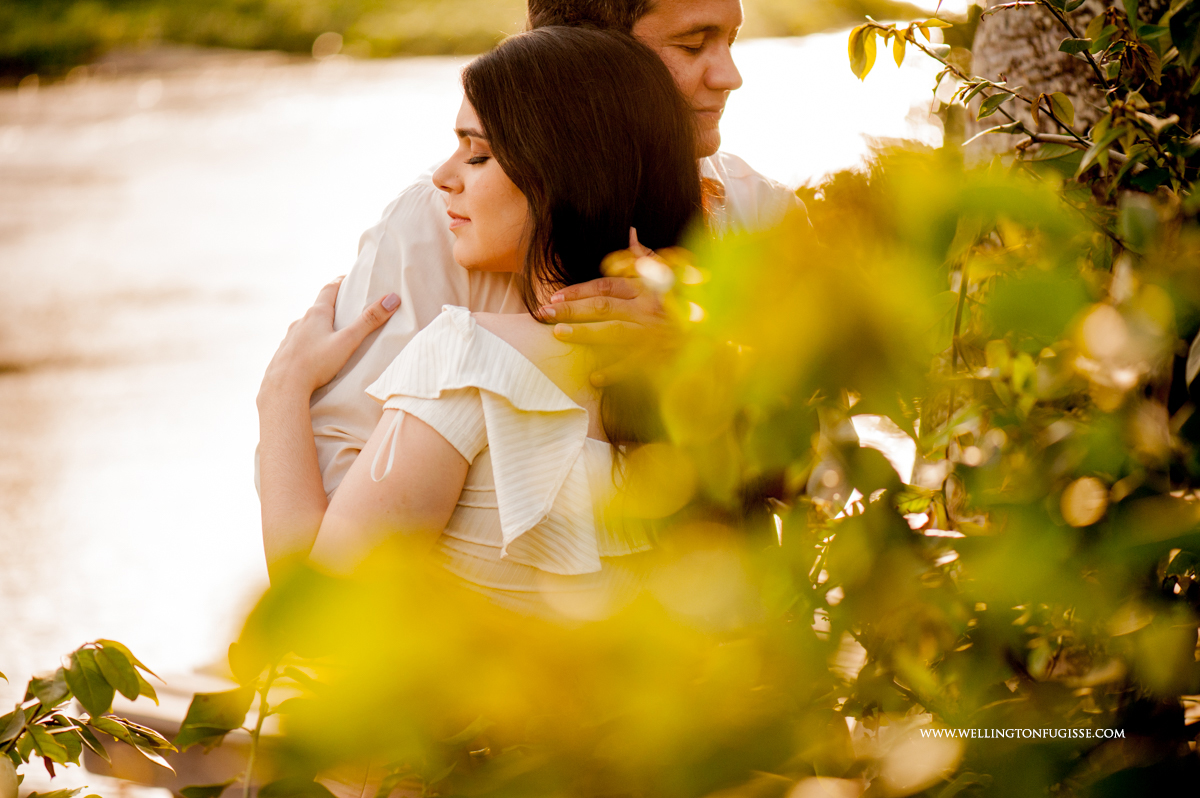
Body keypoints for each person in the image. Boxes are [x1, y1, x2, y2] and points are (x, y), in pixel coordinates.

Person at [271, 0, 804, 530]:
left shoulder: (762, 215)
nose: (730, 76)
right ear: (584, 54)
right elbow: (340, 509)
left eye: (730, 41)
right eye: (692, 44)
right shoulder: (436, 228)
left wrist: (707, 360)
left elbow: (819, 484)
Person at [258, 26, 702, 616]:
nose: (444, 176)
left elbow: (316, 620)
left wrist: (282, 389)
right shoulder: (712, 375)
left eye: (478, 154)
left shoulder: (468, 359)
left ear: (563, 176)